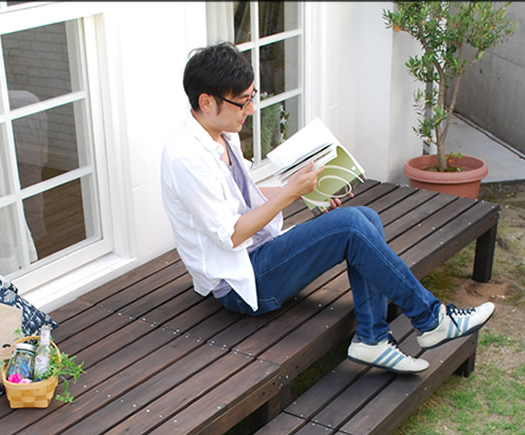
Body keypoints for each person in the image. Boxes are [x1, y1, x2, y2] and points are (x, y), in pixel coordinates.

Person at [160, 42, 494, 373]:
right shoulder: (186, 158)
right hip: (241, 284)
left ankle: (373, 338)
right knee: (349, 225)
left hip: (261, 253)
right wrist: (290, 194)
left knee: (366, 218)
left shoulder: (221, 133)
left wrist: (307, 191)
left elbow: (238, 194)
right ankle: (432, 319)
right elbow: (230, 235)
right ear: (207, 101)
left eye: (252, 97)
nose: (250, 110)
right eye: (242, 102)